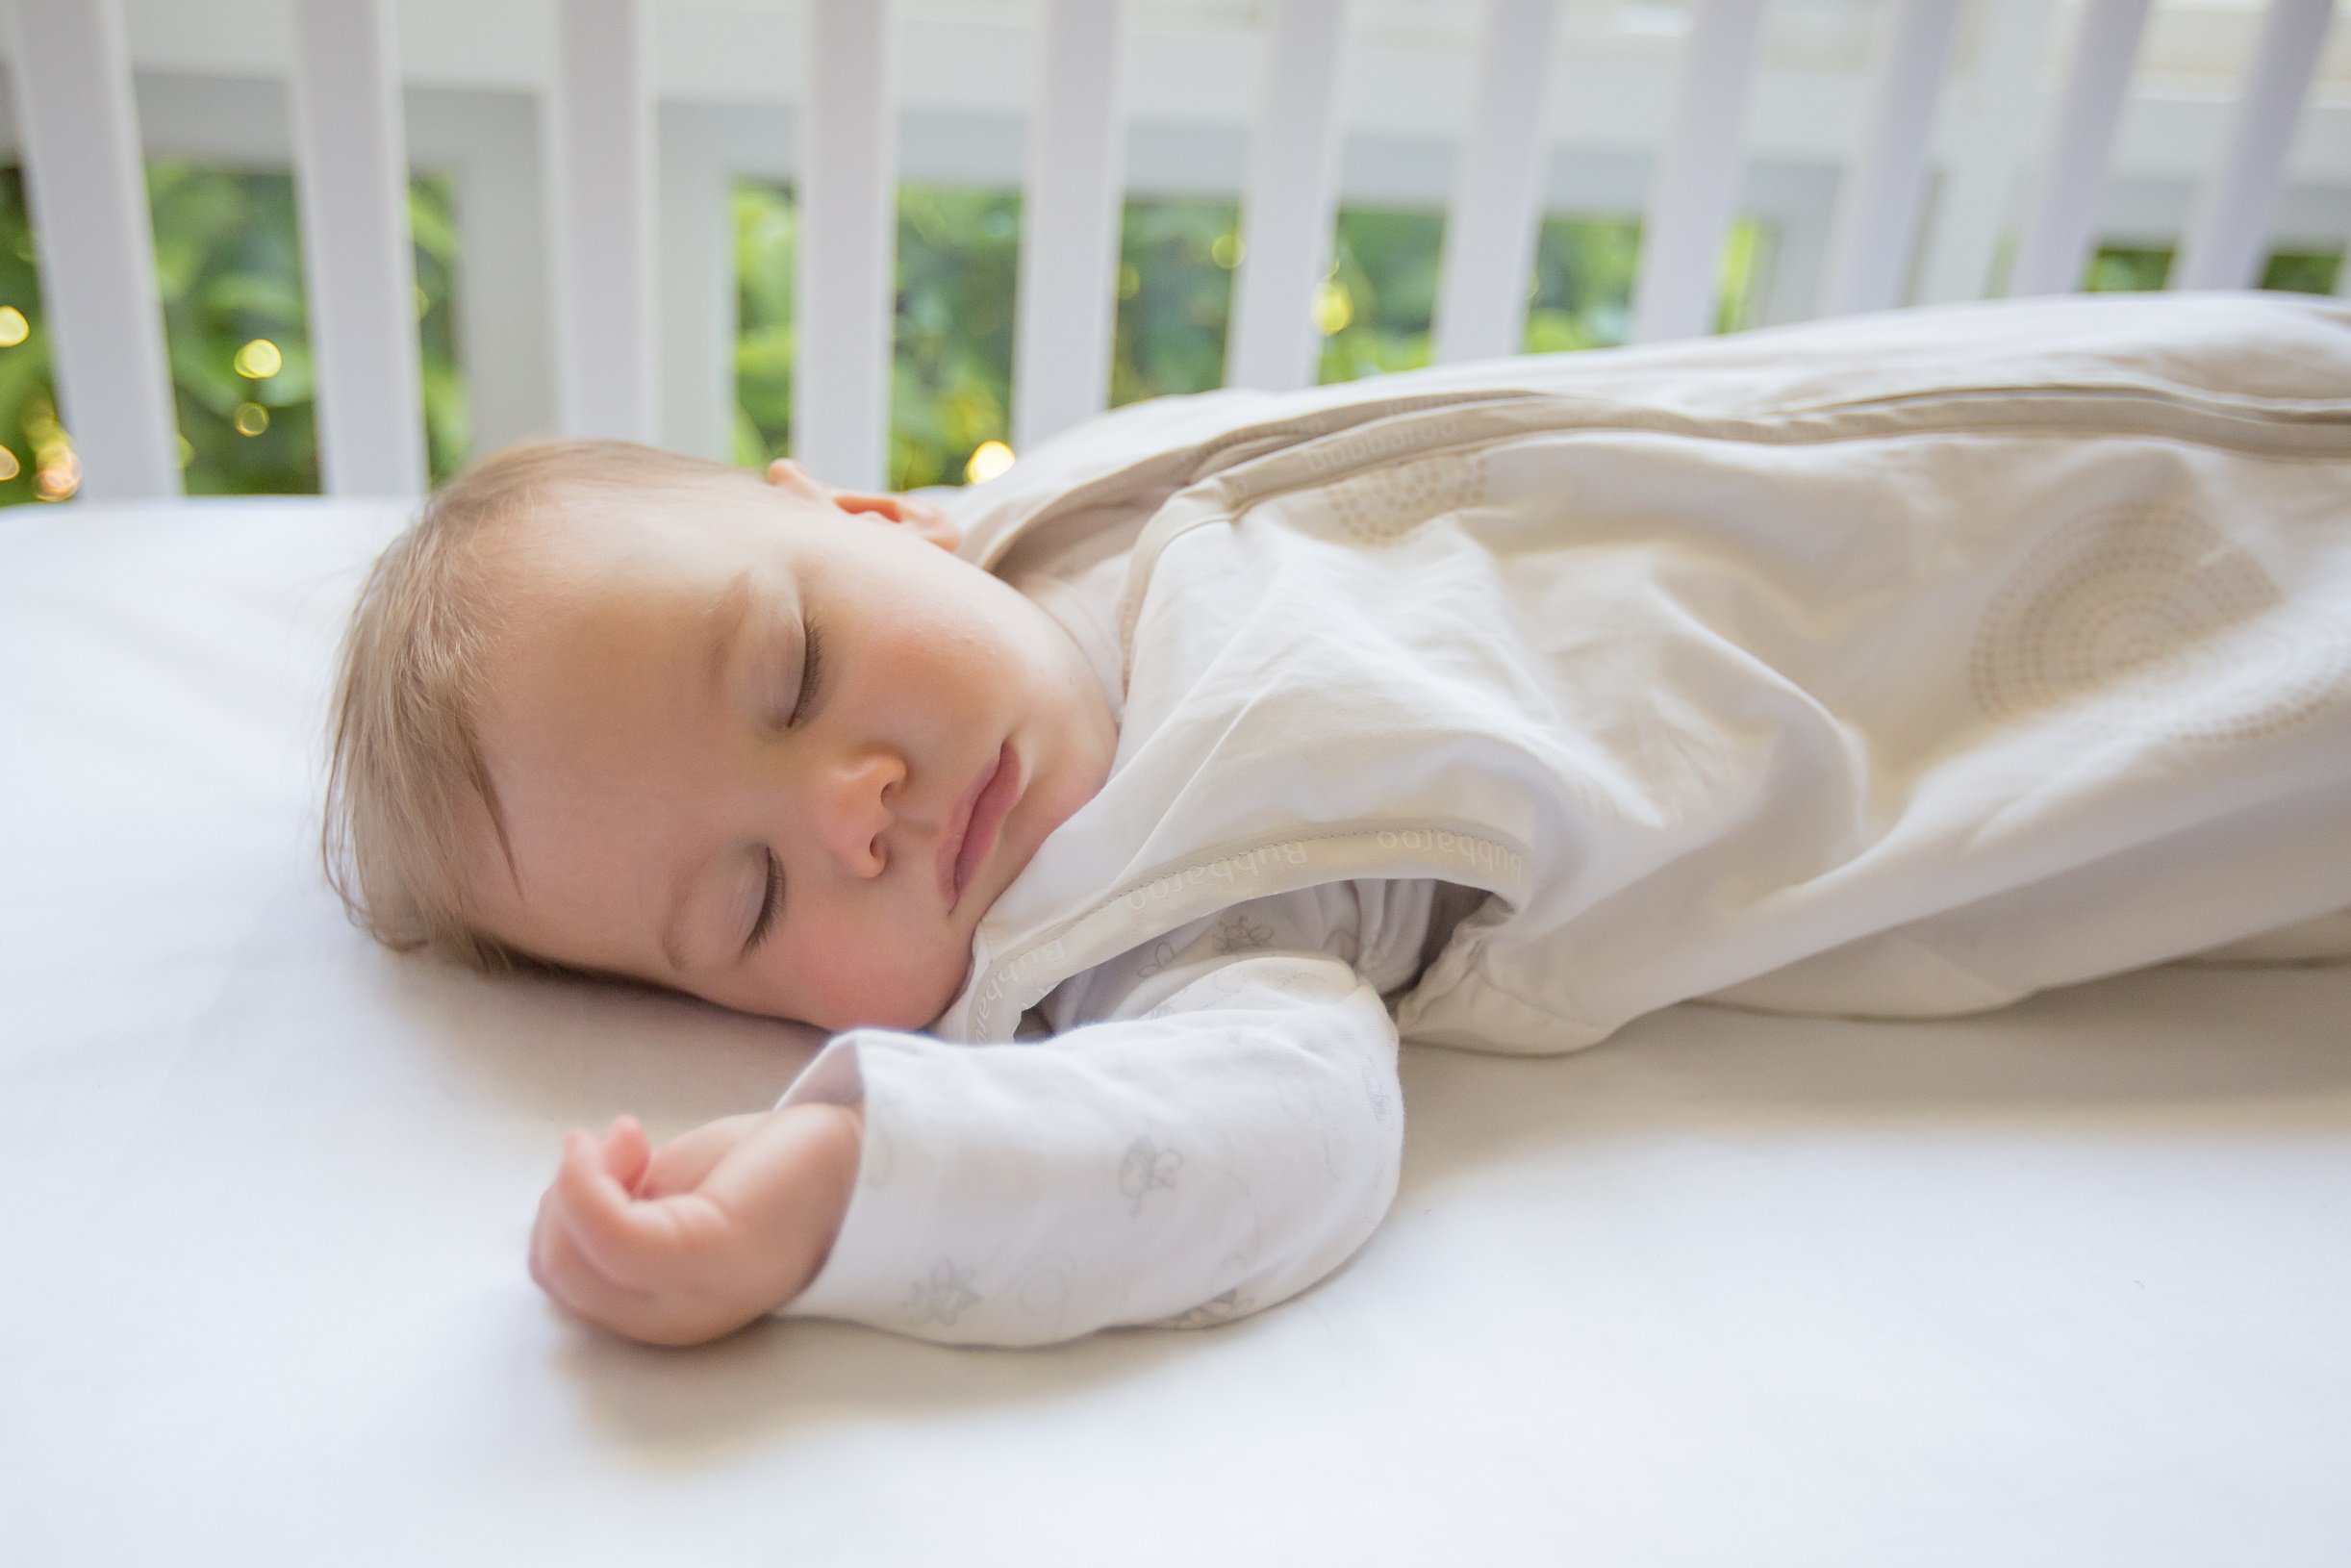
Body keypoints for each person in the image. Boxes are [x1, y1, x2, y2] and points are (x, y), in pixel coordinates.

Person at [323, 290, 2351, 1350]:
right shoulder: (1147, 912)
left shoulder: (1048, 523)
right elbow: (1259, 1142)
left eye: (789, 670)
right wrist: (848, 1184)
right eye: (747, 901)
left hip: (2121, 394)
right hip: (2150, 687)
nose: (849, 810)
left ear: (864, 513)